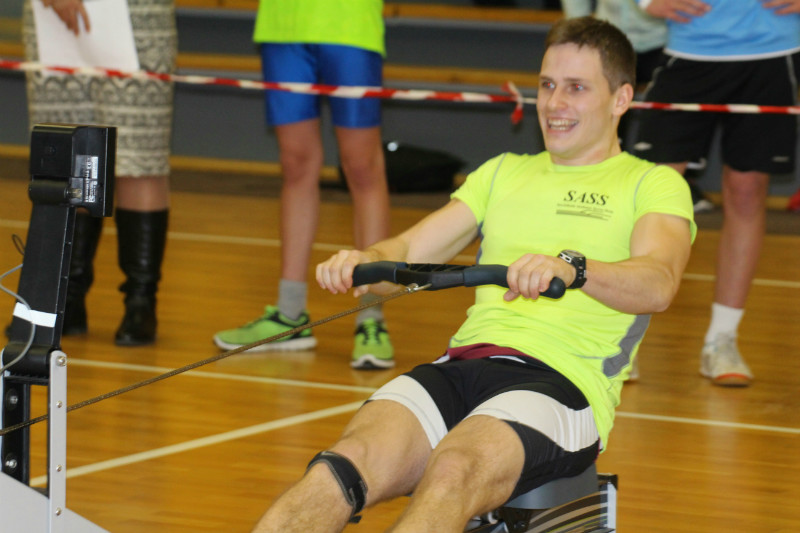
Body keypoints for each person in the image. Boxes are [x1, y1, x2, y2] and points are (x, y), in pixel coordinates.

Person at [251, 17, 694, 532]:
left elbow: (658, 281)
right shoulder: (503, 171)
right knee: (339, 470)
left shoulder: (652, 184)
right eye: (547, 85)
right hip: (462, 366)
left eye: (576, 88)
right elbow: (408, 253)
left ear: (621, 99)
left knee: (454, 469)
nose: (554, 103)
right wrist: (363, 261)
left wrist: (574, 268)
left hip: (563, 384)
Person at [212, 0, 394, 370]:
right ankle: (290, 314)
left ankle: (371, 317)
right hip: (284, 25)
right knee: (296, 164)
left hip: (349, 24)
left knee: (362, 166)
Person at [632, 0, 800, 386]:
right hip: (689, 50)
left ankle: (722, 340)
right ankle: (623, 338)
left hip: (772, 51)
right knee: (654, 192)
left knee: (746, 191)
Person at [22, 0, 176, 346]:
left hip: (137, 18)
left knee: (139, 158)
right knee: (66, 154)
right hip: (50, 19)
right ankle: (66, 297)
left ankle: (140, 302)